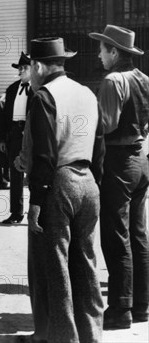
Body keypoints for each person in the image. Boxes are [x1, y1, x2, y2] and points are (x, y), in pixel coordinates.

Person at [27, 37, 105, 342]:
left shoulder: (45, 96)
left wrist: (37, 199)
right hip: (88, 181)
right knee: (86, 263)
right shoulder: (86, 93)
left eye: (31, 68)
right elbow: (98, 145)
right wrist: (93, 180)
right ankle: (91, 335)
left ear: (37, 66)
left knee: (56, 267)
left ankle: (63, 338)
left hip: (59, 182)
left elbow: (44, 154)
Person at [89, 25, 149, 329]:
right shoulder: (144, 79)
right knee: (139, 235)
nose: (99, 54)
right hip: (141, 160)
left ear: (114, 52)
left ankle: (120, 310)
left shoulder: (112, 81)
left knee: (116, 236)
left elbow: (107, 125)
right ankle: (142, 306)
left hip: (118, 162)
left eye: (102, 49)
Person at [0, 52, 33, 224]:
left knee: (34, 173)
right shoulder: (12, 89)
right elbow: (5, 116)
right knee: (15, 171)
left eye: (25, 68)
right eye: (19, 68)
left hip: (32, 134)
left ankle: (37, 212)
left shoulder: (39, 89)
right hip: (14, 132)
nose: (21, 71)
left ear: (33, 69)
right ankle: (16, 212)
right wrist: (4, 139)